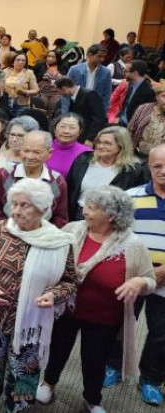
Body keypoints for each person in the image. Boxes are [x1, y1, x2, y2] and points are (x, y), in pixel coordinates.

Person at [37, 186, 156, 413]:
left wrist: (139, 283)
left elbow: (149, 279)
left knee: (95, 360)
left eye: (92, 208)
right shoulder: (72, 230)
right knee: (57, 349)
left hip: (104, 317)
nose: (85, 211)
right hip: (67, 309)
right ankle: (48, 383)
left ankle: (92, 399)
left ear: (110, 215)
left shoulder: (133, 244)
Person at [0, 178, 77, 413]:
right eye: (13, 204)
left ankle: (17, 407)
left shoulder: (58, 241)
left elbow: (69, 282)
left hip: (31, 322)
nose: (16, 211)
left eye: (25, 205)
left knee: (24, 371)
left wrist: (53, 295)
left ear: (44, 209)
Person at [122, 145, 165, 405]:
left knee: (162, 333)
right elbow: (117, 238)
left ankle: (150, 379)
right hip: (132, 276)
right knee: (121, 324)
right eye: (157, 166)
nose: (163, 171)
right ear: (148, 167)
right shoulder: (129, 197)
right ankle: (115, 365)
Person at [66, 126, 148, 221]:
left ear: (121, 146)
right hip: (78, 214)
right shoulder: (83, 159)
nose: (100, 146)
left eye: (107, 143)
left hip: (110, 219)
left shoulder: (133, 171)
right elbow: (69, 188)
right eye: (99, 142)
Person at [0, 130, 69, 227]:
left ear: (49, 153)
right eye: (26, 150)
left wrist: (42, 233)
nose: (30, 156)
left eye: (36, 152)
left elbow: (60, 218)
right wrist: (9, 228)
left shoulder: (57, 181)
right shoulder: (4, 173)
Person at [55, 77, 105, 145]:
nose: (61, 95)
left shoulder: (90, 94)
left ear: (64, 88)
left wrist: (90, 139)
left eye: (60, 92)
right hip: (80, 136)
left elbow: (99, 118)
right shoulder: (73, 98)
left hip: (88, 138)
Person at [66, 44, 111, 115]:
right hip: (76, 108)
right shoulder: (75, 70)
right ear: (90, 55)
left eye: (104, 57)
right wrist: (65, 112)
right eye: (99, 56)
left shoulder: (106, 72)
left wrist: (103, 113)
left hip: (95, 109)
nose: (102, 59)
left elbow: (106, 95)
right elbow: (66, 91)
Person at [46, 113, 91, 178]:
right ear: (54, 129)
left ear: (80, 132)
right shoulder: (43, 146)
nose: (66, 131)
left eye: (72, 128)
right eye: (62, 126)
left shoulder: (87, 153)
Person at [128, 83, 165, 155]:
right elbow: (130, 130)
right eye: (164, 96)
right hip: (139, 154)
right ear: (157, 97)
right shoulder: (143, 108)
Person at [118, 60, 155, 126]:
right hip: (121, 121)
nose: (123, 73)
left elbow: (144, 115)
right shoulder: (131, 84)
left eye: (126, 71)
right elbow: (126, 105)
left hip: (131, 127)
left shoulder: (148, 91)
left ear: (135, 73)